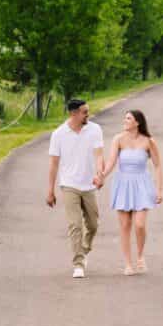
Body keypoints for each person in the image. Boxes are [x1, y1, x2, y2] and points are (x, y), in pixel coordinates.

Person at [46, 98, 105, 279]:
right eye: (84, 112)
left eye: (88, 111)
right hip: (69, 185)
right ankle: (78, 263)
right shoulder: (59, 134)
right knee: (75, 225)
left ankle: (84, 249)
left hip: (88, 185)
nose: (88, 114)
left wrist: (99, 174)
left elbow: (99, 155)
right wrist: (50, 190)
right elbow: (54, 164)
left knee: (93, 225)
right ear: (73, 113)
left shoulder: (94, 129)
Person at [99, 108, 163, 275]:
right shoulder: (118, 139)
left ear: (137, 122)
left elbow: (157, 166)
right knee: (125, 225)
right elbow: (112, 162)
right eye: (125, 118)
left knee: (140, 224)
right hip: (123, 184)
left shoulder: (149, 141)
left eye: (128, 119)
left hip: (142, 184)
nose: (125, 121)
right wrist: (102, 176)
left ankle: (140, 256)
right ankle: (128, 264)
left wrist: (159, 190)